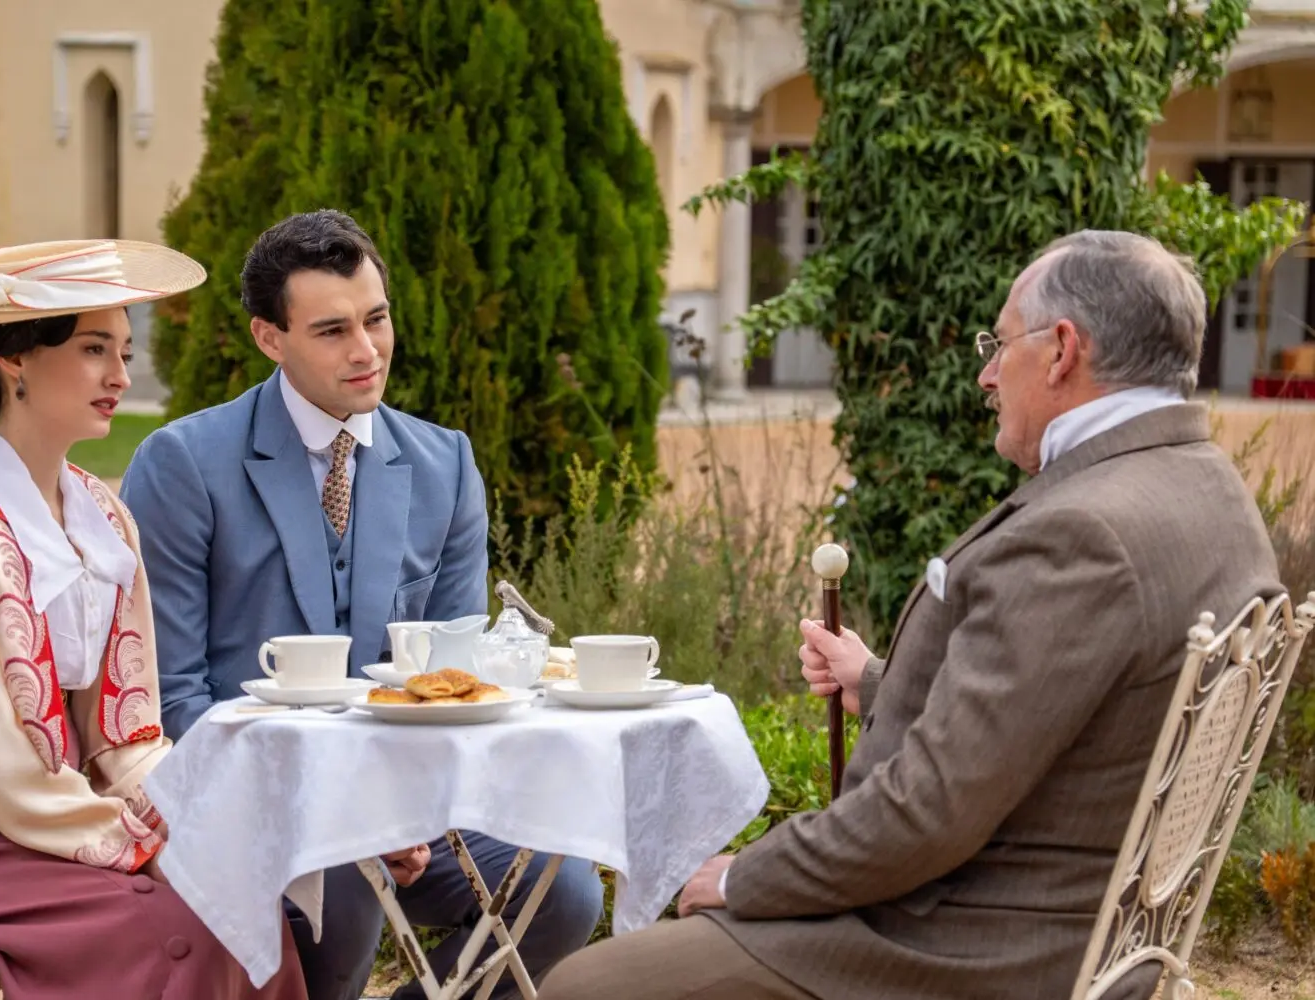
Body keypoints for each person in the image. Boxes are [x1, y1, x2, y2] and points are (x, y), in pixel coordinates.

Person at [536, 230, 1285, 1000]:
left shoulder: (1083, 533)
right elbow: (1068, 717)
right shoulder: (1211, 493)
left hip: (967, 943)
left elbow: (929, 815)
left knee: (589, 985)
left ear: (1062, 350)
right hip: (1097, 933)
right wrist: (883, 684)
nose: (989, 375)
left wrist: (743, 877)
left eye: (1000, 345)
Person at [120, 210, 603, 1000]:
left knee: (567, 891)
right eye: (332, 330)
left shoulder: (444, 464)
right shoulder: (182, 465)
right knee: (342, 887)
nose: (366, 350)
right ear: (269, 338)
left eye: (376, 319)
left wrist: (404, 814)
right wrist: (341, 818)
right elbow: (173, 699)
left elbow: (451, 684)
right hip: (249, 805)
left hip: (411, 804)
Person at [0, 240, 308, 1000]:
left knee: (236, 903)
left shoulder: (104, 520)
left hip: (46, 832)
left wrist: (193, 812)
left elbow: (129, 730)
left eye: (124, 351)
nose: (120, 375)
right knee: (168, 926)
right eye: (92, 350)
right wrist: (129, 841)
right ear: (16, 360)